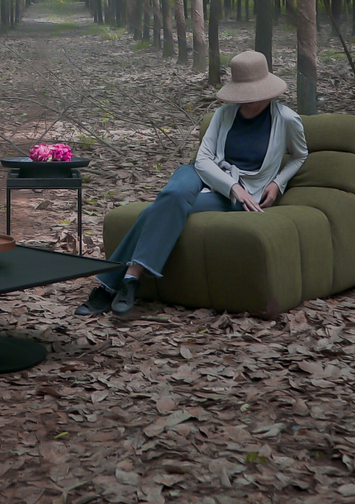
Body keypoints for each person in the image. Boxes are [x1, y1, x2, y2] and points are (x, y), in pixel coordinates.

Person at [75, 50, 308, 318]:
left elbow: (300, 156)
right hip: (206, 175)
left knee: (158, 210)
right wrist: (233, 186)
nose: (248, 101)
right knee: (174, 192)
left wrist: (278, 182)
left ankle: (122, 282)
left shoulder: (287, 119)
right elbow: (202, 160)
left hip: (239, 197)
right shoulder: (224, 114)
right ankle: (125, 281)